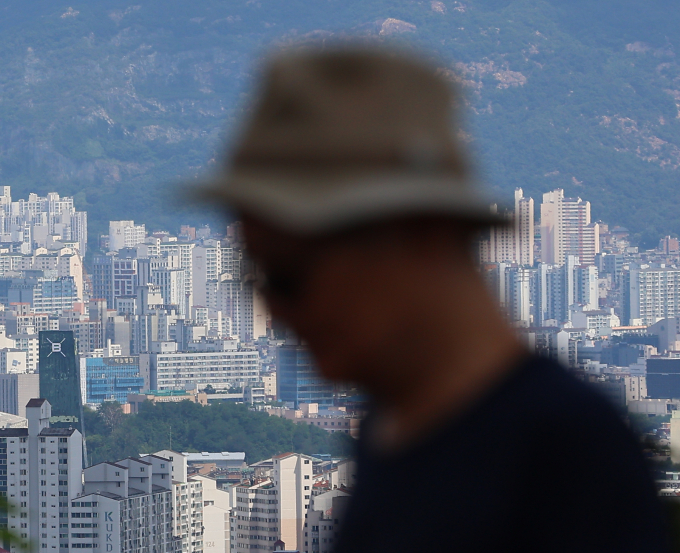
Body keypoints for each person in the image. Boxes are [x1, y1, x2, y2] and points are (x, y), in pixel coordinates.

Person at [200, 46, 671, 551]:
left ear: (418, 234)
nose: (274, 311)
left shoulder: (564, 455)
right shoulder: (396, 427)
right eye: (255, 279)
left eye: (288, 275)